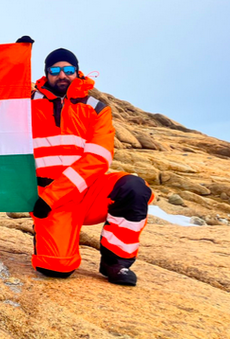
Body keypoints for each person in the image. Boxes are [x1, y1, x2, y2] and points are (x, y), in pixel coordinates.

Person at [30, 47, 153, 286]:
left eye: (68, 70)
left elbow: (99, 158)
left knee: (134, 188)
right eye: (55, 70)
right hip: (47, 198)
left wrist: (54, 195)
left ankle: (115, 262)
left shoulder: (96, 108)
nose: (62, 75)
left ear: (77, 72)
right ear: (46, 73)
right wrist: (15, 57)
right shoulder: (26, 103)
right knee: (56, 269)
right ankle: (46, 234)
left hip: (86, 193)